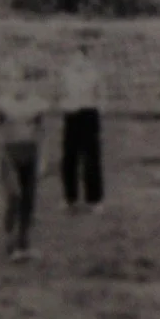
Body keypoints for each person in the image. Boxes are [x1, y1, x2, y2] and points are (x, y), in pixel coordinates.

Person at [0, 67, 49, 262]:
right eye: (13, 81)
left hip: (29, 153)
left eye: (22, 81)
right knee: (14, 196)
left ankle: (24, 244)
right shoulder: (3, 104)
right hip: (9, 154)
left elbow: (42, 132)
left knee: (28, 200)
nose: (18, 86)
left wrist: (43, 159)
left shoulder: (36, 104)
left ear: (28, 84)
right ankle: (10, 244)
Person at [58, 44, 105, 213]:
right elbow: (61, 94)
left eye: (81, 57)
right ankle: (70, 198)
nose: (78, 61)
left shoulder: (94, 74)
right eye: (74, 57)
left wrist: (96, 109)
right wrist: (66, 106)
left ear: (87, 58)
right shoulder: (66, 73)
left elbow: (101, 96)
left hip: (89, 114)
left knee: (91, 158)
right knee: (69, 157)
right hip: (71, 115)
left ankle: (95, 200)